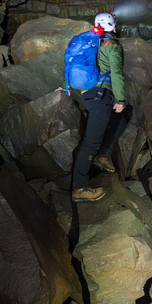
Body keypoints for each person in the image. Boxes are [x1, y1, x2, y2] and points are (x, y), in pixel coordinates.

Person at [63, 12, 129, 202]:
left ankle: (102, 155)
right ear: (113, 27)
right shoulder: (112, 45)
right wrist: (121, 99)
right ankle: (79, 188)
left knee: (120, 119)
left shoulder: (90, 41)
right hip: (102, 96)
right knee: (90, 141)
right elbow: (116, 73)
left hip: (89, 95)